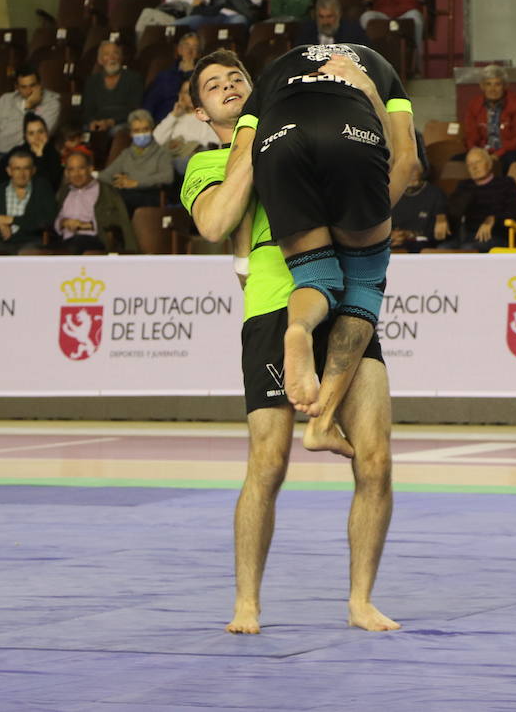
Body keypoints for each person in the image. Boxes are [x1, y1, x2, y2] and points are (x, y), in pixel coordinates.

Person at [179, 48, 401, 635]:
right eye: (213, 87)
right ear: (201, 112)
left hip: (340, 287)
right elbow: (213, 223)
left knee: (376, 458)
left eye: (236, 79)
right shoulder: (207, 163)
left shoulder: (301, 123)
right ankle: (247, 603)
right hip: (275, 304)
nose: (227, 87)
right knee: (268, 463)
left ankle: (359, 600)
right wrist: (257, 145)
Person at [228, 41, 418, 429]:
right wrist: (372, 222)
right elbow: (407, 158)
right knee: (363, 281)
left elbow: (241, 161)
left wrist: (242, 256)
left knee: (317, 277)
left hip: (278, 142)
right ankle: (323, 416)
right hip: (351, 132)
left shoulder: (273, 70)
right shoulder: (380, 65)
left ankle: (297, 329)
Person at [0, 149, 56, 255]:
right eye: (17, 169)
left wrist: (12, 220)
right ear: (9, 171)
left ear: (33, 170)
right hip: (0, 242)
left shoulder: (42, 189)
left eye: (26, 168)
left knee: (26, 255)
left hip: (30, 242)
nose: (22, 174)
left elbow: (48, 219)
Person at [53, 150, 137, 254]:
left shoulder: (105, 191)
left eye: (81, 168)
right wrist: (63, 222)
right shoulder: (64, 192)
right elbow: (55, 217)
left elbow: (119, 219)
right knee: (38, 252)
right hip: (65, 240)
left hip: (94, 239)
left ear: (90, 169)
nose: (76, 174)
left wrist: (87, 225)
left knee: (75, 244)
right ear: (66, 173)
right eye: (71, 170)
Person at [447, 146, 516, 251]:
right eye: (470, 165)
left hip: (496, 235)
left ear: (489, 164)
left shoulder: (506, 183)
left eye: (478, 162)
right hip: (467, 236)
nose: (474, 167)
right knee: (441, 249)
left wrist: (494, 218)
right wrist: (442, 217)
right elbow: (452, 211)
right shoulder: (464, 186)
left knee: (467, 249)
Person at [99, 109, 176, 212]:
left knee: (121, 201)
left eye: (145, 130)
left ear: (152, 130)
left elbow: (167, 177)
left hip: (150, 196)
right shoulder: (126, 154)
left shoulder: (162, 153)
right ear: (131, 133)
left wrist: (136, 182)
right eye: (137, 131)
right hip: (126, 194)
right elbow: (104, 175)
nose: (141, 134)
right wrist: (119, 182)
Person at [0, 66, 62, 155]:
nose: (29, 91)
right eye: (24, 87)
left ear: (40, 84)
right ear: (17, 87)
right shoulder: (5, 99)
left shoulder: (52, 103)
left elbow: (40, 138)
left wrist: (28, 107)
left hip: (27, 156)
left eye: (33, 85)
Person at [460, 64, 516, 165]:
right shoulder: (474, 105)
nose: (492, 89)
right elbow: (471, 136)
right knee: (455, 161)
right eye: (488, 84)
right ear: (482, 86)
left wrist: (498, 154)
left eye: (497, 84)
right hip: (482, 151)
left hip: (508, 151)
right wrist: (477, 153)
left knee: (506, 162)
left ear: (504, 86)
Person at [154, 81, 221, 177]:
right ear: (180, 96)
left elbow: (213, 144)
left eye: (194, 92)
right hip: (174, 160)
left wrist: (188, 146)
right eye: (187, 92)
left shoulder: (207, 116)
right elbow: (156, 140)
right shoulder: (174, 117)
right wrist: (174, 115)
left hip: (198, 158)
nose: (191, 95)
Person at [81, 42, 145, 134]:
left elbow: (134, 109)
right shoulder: (92, 81)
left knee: (115, 131)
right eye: (106, 54)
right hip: (99, 123)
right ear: (100, 60)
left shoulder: (134, 79)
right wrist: (93, 122)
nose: (112, 57)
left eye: (115, 53)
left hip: (123, 122)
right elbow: (88, 110)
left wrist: (111, 122)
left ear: (121, 57)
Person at [0, 112, 63, 192]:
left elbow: (47, 186)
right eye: (31, 133)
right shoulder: (17, 152)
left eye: (40, 132)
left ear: (47, 133)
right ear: (25, 137)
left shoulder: (54, 154)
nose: (37, 137)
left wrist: (39, 156)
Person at [144, 31, 202, 123]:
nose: (189, 51)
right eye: (186, 46)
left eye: (194, 48)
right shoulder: (164, 76)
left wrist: (190, 72)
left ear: (198, 54)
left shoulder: (202, 76)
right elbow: (149, 103)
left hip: (191, 122)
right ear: (179, 50)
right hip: (164, 120)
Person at [391, 175, 448, 253]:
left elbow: (438, 235)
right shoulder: (389, 193)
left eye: (415, 169)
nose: (411, 173)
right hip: (392, 245)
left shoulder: (435, 194)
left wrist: (409, 235)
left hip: (421, 245)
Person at [296, 0, 368, 47]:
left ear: (338, 15)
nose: (325, 21)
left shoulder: (353, 32)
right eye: (321, 17)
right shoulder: (307, 31)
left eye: (329, 16)